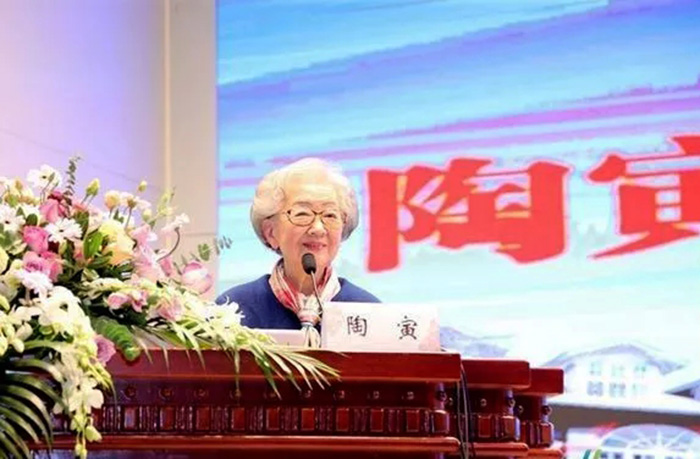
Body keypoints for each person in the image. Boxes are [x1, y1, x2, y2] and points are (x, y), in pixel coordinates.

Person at [217, 158, 379, 344]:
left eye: (330, 215)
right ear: (271, 233)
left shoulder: (369, 312)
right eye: (302, 214)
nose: (318, 228)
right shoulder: (232, 311)